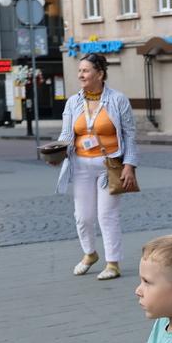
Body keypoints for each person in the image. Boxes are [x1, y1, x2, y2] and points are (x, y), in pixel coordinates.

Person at [57, 53, 139, 280]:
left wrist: (129, 165)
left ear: (100, 74)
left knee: (107, 215)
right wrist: (56, 152)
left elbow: (130, 135)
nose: (80, 75)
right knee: (82, 217)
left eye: (85, 70)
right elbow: (66, 134)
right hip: (80, 166)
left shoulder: (118, 100)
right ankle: (90, 254)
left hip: (108, 166)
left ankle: (113, 263)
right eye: (79, 70)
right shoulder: (73, 102)